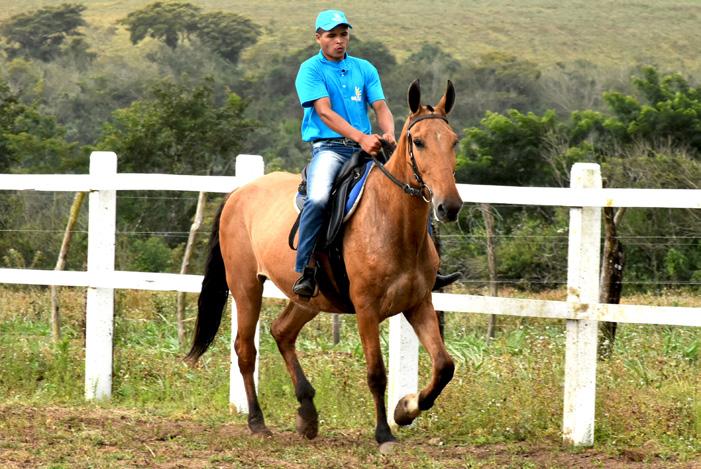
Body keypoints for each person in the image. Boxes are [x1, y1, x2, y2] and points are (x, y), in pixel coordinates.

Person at [292, 9, 459, 298]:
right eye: (331, 35)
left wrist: (389, 134)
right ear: (318, 38)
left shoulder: (364, 68)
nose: (339, 41)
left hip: (369, 146)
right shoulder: (310, 69)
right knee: (318, 198)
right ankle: (306, 268)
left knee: (414, 189)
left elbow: (380, 106)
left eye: (343, 34)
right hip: (330, 148)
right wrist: (360, 136)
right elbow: (324, 112)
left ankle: (429, 265)